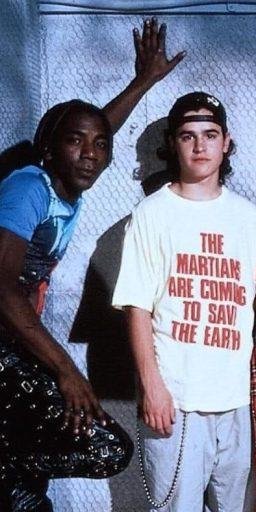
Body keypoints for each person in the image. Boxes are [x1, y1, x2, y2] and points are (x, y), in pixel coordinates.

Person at [0, 18, 182, 512]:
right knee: (104, 446)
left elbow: (91, 130)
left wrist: (144, 81)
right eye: (76, 143)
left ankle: (15, 477)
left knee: (66, 453)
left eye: (101, 146)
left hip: (14, 343)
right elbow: (2, 288)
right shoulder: (29, 188)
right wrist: (66, 369)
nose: (90, 154)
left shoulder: (66, 180)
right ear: (49, 146)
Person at [112, 91, 256, 512]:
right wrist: (152, 387)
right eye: (188, 136)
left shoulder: (249, 218)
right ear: (172, 144)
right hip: (177, 401)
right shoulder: (153, 213)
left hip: (235, 400)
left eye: (210, 135)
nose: (200, 146)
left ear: (226, 142)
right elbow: (137, 307)